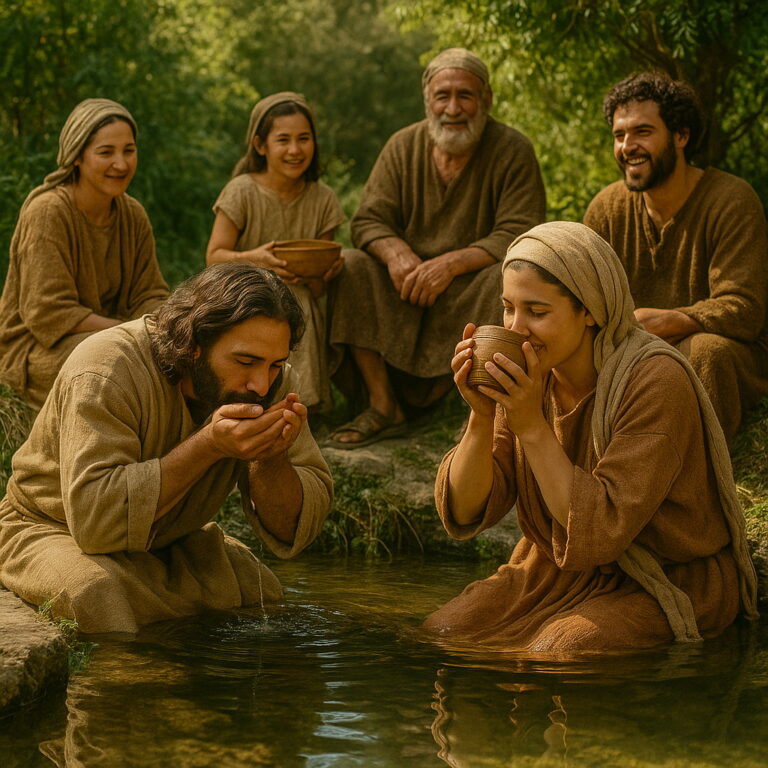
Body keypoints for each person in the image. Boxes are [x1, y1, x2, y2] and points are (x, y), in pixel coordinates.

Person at [423, 221, 757, 651]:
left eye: (536, 312)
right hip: (552, 570)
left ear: (591, 311)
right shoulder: (529, 375)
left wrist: (529, 424)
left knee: (562, 649)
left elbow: (602, 528)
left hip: (657, 575)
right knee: (443, 631)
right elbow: (467, 510)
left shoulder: (655, 380)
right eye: (508, 308)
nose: (516, 327)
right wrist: (482, 414)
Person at [0, 264, 332, 634]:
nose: (260, 383)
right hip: (48, 530)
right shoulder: (105, 367)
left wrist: (270, 456)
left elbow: (295, 528)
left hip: (170, 541)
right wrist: (208, 445)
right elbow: (95, 523)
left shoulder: (270, 384)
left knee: (259, 589)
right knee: (97, 595)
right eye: (245, 362)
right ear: (193, 346)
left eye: (275, 364)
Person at [327, 47, 546, 447]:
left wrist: (450, 264)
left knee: (507, 280)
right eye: (442, 95)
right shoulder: (401, 145)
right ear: (427, 101)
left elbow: (521, 231)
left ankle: (483, 413)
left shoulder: (512, 149)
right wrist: (396, 254)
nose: (453, 107)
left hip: (468, 288)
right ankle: (382, 405)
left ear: (486, 100)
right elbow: (368, 220)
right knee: (352, 265)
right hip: (405, 288)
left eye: (465, 95)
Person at [583, 71, 768, 443]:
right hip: (632, 351)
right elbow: (581, 296)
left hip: (723, 354)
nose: (627, 146)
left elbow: (745, 308)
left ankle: (690, 468)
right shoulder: (607, 208)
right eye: (619, 135)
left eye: (642, 132)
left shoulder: (731, 200)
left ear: (681, 136)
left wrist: (672, 321)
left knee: (705, 352)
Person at [0, 98, 169, 408]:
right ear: (77, 157)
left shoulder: (132, 214)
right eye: (106, 152)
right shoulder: (49, 212)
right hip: (36, 349)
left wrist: (157, 328)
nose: (121, 163)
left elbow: (151, 291)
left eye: (128, 151)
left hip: (111, 335)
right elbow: (48, 312)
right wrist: (129, 332)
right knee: (114, 364)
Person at [206, 92, 345, 412]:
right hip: (242, 296)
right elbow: (214, 255)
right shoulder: (241, 191)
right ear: (260, 145)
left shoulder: (322, 198)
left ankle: (302, 402)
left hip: (303, 296)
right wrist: (254, 259)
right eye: (283, 140)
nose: (295, 150)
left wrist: (324, 271)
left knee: (296, 298)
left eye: (304, 139)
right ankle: (251, 397)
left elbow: (320, 282)